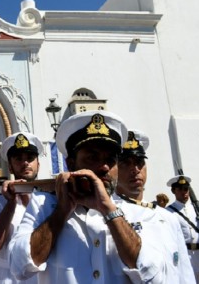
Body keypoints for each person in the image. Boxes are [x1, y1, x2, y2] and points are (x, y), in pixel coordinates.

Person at [10, 110, 168, 283]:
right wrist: (61, 213)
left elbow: (153, 276)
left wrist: (109, 210)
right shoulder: (44, 205)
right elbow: (19, 267)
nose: (105, 167)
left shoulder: (137, 212)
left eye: (111, 159)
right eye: (93, 157)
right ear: (71, 164)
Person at [116, 129, 194, 283]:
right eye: (126, 163)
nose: (135, 169)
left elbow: (184, 272)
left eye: (139, 163)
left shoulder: (167, 217)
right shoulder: (111, 214)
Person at [0, 132, 43, 284]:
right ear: (10, 166)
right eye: (18, 159)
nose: (25, 163)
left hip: (41, 276)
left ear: (38, 163)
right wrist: (11, 203)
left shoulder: (48, 198)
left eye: (30, 158)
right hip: (7, 277)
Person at [166, 175, 199, 282]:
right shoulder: (168, 212)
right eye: (180, 189)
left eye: (186, 189)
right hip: (185, 256)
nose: (184, 192)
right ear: (173, 191)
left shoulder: (197, 208)